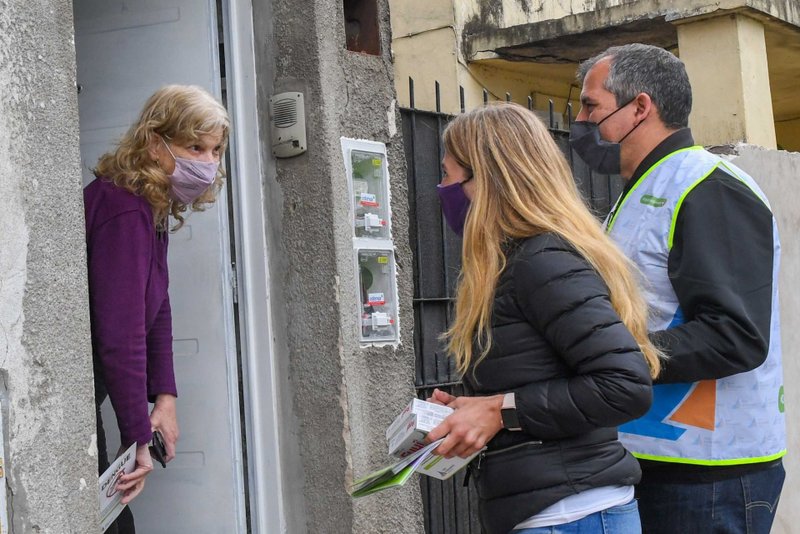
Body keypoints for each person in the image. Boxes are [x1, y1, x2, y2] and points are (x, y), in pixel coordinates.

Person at [571, 43, 785, 534]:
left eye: (591, 107)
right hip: (654, 462)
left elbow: (735, 334)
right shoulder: (642, 192)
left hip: (710, 478)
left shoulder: (707, 186)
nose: (580, 122)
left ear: (640, 107)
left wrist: (612, 357)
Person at [426, 102, 662, 534]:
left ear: (488, 179)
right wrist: (474, 409)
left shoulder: (542, 261)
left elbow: (625, 386)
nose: (441, 188)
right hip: (554, 512)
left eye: (448, 174)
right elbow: (538, 378)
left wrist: (501, 410)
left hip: (574, 518)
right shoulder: (513, 264)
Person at [84, 85, 230, 532]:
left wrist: (164, 399)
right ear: (154, 142)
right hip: (74, 390)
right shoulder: (123, 210)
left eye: (215, 150)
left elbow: (157, 306)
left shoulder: (147, 204)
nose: (207, 162)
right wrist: (136, 437)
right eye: (194, 147)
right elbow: (120, 334)